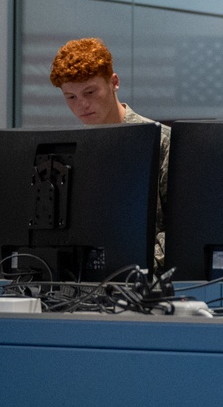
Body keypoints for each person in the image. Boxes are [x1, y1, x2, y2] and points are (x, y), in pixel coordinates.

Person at [49, 37, 170, 269]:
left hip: (144, 283)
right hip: (79, 282)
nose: (82, 105)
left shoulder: (160, 141)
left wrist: (132, 265)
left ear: (114, 82)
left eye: (90, 92)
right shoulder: (67, 152)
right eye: (71, 97)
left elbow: (182, 227)